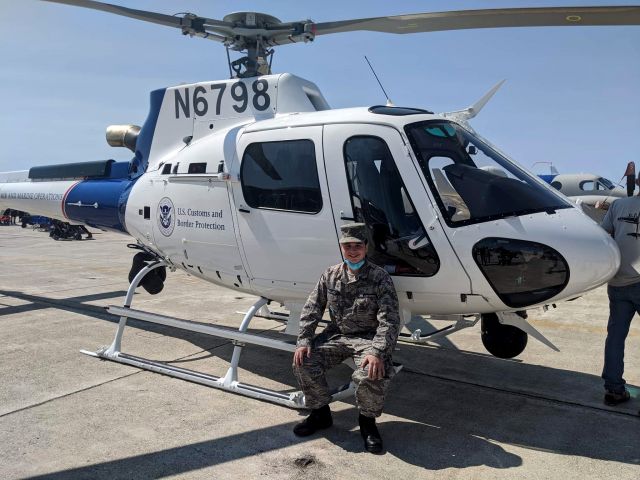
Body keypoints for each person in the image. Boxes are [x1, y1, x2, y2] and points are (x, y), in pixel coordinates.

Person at [292, 223, 400, 454]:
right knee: (304, 361)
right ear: (341, 247)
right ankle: (320, 413)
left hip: (369, 339)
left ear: (366, 247)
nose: (352, 251)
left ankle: (367, 424)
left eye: (357, 246)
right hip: (337, 334)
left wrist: (378, 352)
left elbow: (389, 320)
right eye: (347, 246)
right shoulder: (330, 275)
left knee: (371, 373)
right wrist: (304, 340)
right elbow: (312, 308)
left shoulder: (379, 278)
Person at [600, 175, 640, 408]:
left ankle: (613, 390)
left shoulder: (617, 205)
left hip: (618, 282)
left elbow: (603, 235)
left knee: (615, 337)